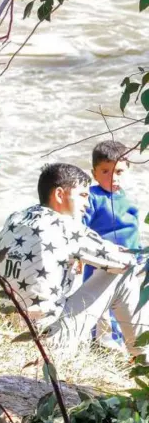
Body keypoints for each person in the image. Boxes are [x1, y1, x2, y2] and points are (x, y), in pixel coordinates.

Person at [0, 163, 149, 356]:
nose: (88, 203)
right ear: (59, 194)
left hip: (6, 331)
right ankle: (143, 361)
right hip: (47, 342)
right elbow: (126, 262)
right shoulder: (65, 226)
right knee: (123, 274)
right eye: (83, 195)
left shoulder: (15, 218)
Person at [82, 140, 142, 349]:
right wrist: (77, 257)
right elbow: (81, 227)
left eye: (119, 171)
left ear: (128, 170)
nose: (113, 177)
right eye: (105, 171)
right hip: (100, 263)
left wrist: (140, 257)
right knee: (99, 306)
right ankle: (102, 345)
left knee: (129, 305)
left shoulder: (127, 198)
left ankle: (125, 344)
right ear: (94, 173)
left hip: (129, 262)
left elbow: (133, 230)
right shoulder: (92, 197)